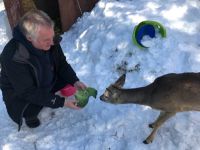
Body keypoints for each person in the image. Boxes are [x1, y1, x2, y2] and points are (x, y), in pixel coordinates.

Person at [0, 10, 87, 130]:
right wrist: (61, 102)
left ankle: (47, 94)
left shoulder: (50, 40)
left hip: (43, 79)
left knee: (68, 81)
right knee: (30, 107)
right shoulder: (13, 56)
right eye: (47, 40)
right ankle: (29, 114)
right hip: (21, 94)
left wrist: (75, 81)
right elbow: (27, 92)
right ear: (30, 38)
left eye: (52, 37)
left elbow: (61, 64)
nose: (52, 43)